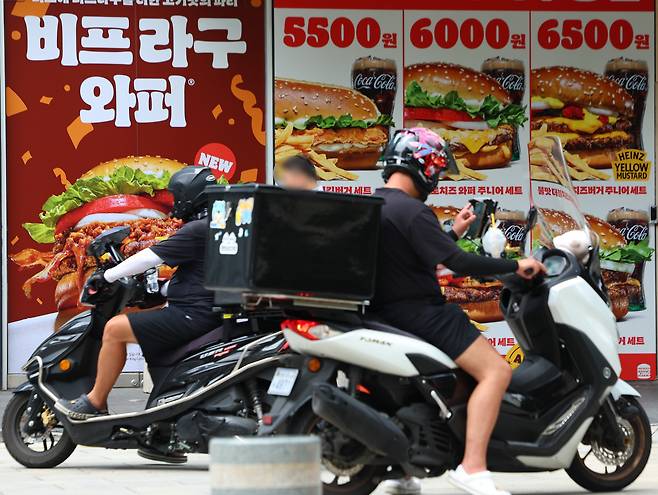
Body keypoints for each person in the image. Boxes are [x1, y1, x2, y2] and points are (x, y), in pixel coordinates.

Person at [372, 128, 545, 495]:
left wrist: (452, 230)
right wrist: (515, 266)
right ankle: (473, 467)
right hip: (424, 314)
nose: (435, 179)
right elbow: (458, 263)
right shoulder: (413, 211)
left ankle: (403, 472)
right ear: (425, 167)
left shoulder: (379, 204)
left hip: (388, 315)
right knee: (496, 371)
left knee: (429, 390)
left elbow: (414, 255)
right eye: (437, 171)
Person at [58, 166, 221, 423]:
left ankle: (94, 401)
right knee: (145, 329)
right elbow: (200, 276)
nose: (176, 204)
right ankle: (163, 416)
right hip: (206, 311)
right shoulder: (219, 227)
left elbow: (151, 256)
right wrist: (162, 289)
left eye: (177, 197)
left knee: (114, 329)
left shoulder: (198, 230)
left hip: (192, 315)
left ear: (190, 198)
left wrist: (106, 276)